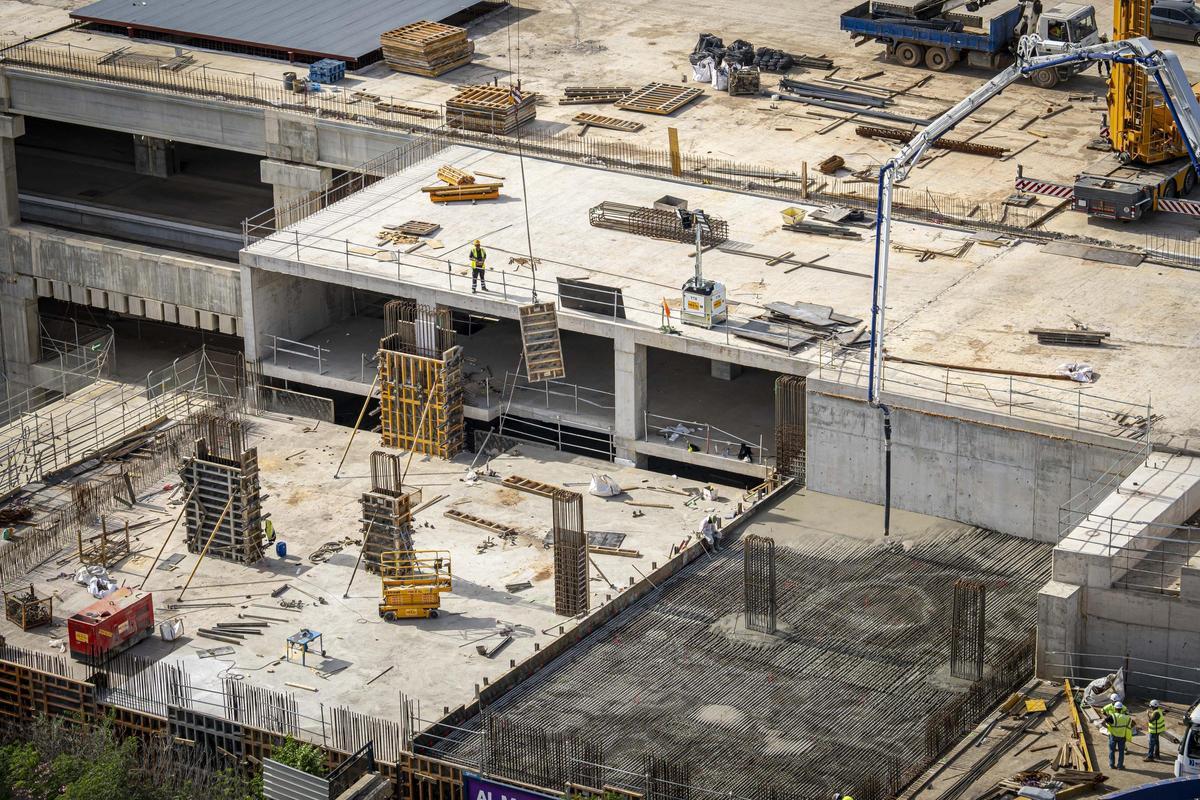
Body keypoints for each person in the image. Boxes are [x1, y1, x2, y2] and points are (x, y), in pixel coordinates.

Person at [1106, 701, 1132, 770]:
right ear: (1121, 709)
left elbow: (1103, 722)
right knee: (1121, 752)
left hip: (1113, 736)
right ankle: (1120, 766)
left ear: (1115, 709)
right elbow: (1131, 725)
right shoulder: (1126, 717)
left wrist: (1109, 727)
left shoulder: (1112, 716)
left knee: (1112, 751)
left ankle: (1111, 765)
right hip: (1122, 737)